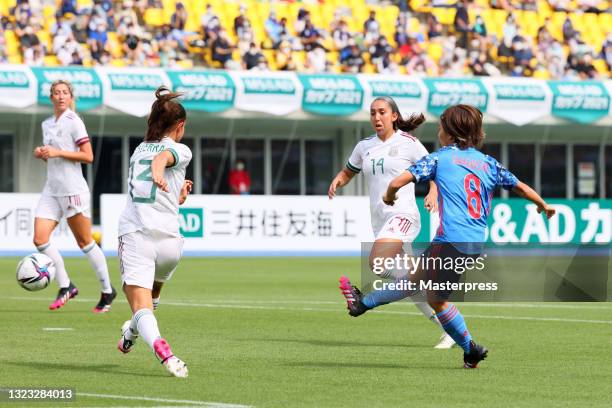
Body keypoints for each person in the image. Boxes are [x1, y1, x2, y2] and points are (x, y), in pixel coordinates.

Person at [380, 104, 556, 368]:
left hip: (450, 240)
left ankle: (470, 349)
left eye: (441, 126)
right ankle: (365, 303)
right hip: (473, 243)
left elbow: (395, 183)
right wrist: (542, 204)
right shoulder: (487, 162)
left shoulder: (441, 157)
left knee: (435, 299)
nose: (439, 131)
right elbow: (519, 187)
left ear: (450, 132)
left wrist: (389, 196)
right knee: (416, 281)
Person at [330, 96, 456, 349]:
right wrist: (339, 180)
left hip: (403, 215)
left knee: (378, 262)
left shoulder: (409, 144)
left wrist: (433, 191)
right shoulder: (364, 146)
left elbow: (434, 169)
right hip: (380, 220)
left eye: (382, 112)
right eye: (373, 113)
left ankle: (418, 281)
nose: (377, 117)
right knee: (410, 283)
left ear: (394, 116)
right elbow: (349, 171)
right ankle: (449, 328)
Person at [116, 86, 192, 378]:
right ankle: (130, 334)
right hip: (170, 244)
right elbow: (164, 159)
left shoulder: (138, 150)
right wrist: (167, 179)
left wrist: (167, 179)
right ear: (180, 126)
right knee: (150, 299)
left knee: (139, 303)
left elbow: (158, 163)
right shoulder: (181, 149)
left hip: (138, 233)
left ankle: (164, 351)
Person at [33, 79, 116, 312]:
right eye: (56, 93)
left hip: (72, 189)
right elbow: (53, 153)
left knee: (85, 242)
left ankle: (108, 291)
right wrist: (42, 153)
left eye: (65, 93)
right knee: (40, 239)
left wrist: (57, 152)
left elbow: (88, 156)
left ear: (70, 97)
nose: (60, 96)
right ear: (51, 98)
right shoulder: (47, 123)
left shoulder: (74, 121)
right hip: (52, 187)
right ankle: (66, 285)